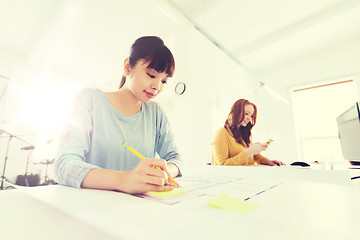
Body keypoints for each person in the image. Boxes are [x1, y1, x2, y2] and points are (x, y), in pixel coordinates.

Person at [55, 36, 182, 194]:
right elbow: (64, 166)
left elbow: (175, 158)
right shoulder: (89, 100)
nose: (156, 86)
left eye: (164, 81)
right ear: (128, 67)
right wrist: (125, 180)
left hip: (140, 209)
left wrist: (163, 174)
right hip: (93, 209)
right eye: (151, 75)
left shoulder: (155, 113)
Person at [211, 99, 284, 166]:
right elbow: (222, 164)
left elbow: (254, 156)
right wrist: (249, 151)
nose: (249, 118)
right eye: (246, 114)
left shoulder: (243, 134)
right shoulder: (221, 133)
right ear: (236, 112)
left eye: (251, 115)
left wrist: (267, 161)